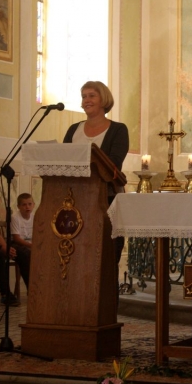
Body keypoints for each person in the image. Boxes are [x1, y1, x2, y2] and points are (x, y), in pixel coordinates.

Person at [63, 81, 129, 265]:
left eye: (92, 95)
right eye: (84, 96)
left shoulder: (118, 130)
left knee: (106, 252)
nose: (87, 100)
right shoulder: (73, 129)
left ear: (104, 99)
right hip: (75, 199)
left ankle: (108, 283)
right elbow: (63, 159)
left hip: (106, 198)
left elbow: (114, 163)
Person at [10, 193, 34, 289]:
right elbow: (16, 239)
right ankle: (31, 289)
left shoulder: (35, 216)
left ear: (33, 205)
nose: (27, 207)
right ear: (18, 206)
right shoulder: (15, 217)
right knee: (26, 254)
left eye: (30, 204)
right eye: (24, 204)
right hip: (18, 245)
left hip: (31, 245)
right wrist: (31, 246)